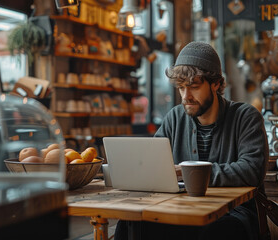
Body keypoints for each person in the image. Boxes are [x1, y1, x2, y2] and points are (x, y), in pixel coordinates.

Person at [114, 41, 269, 240]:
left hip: (233, 213)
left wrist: (191, 174)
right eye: (181, 87)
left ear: (216, 84)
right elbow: (154, 167)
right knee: (129, 225)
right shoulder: (174, 118)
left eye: (194, 87)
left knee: (217, 233)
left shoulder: (245, 116)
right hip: (182, 210)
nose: (186, 96)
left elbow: (251, 170)